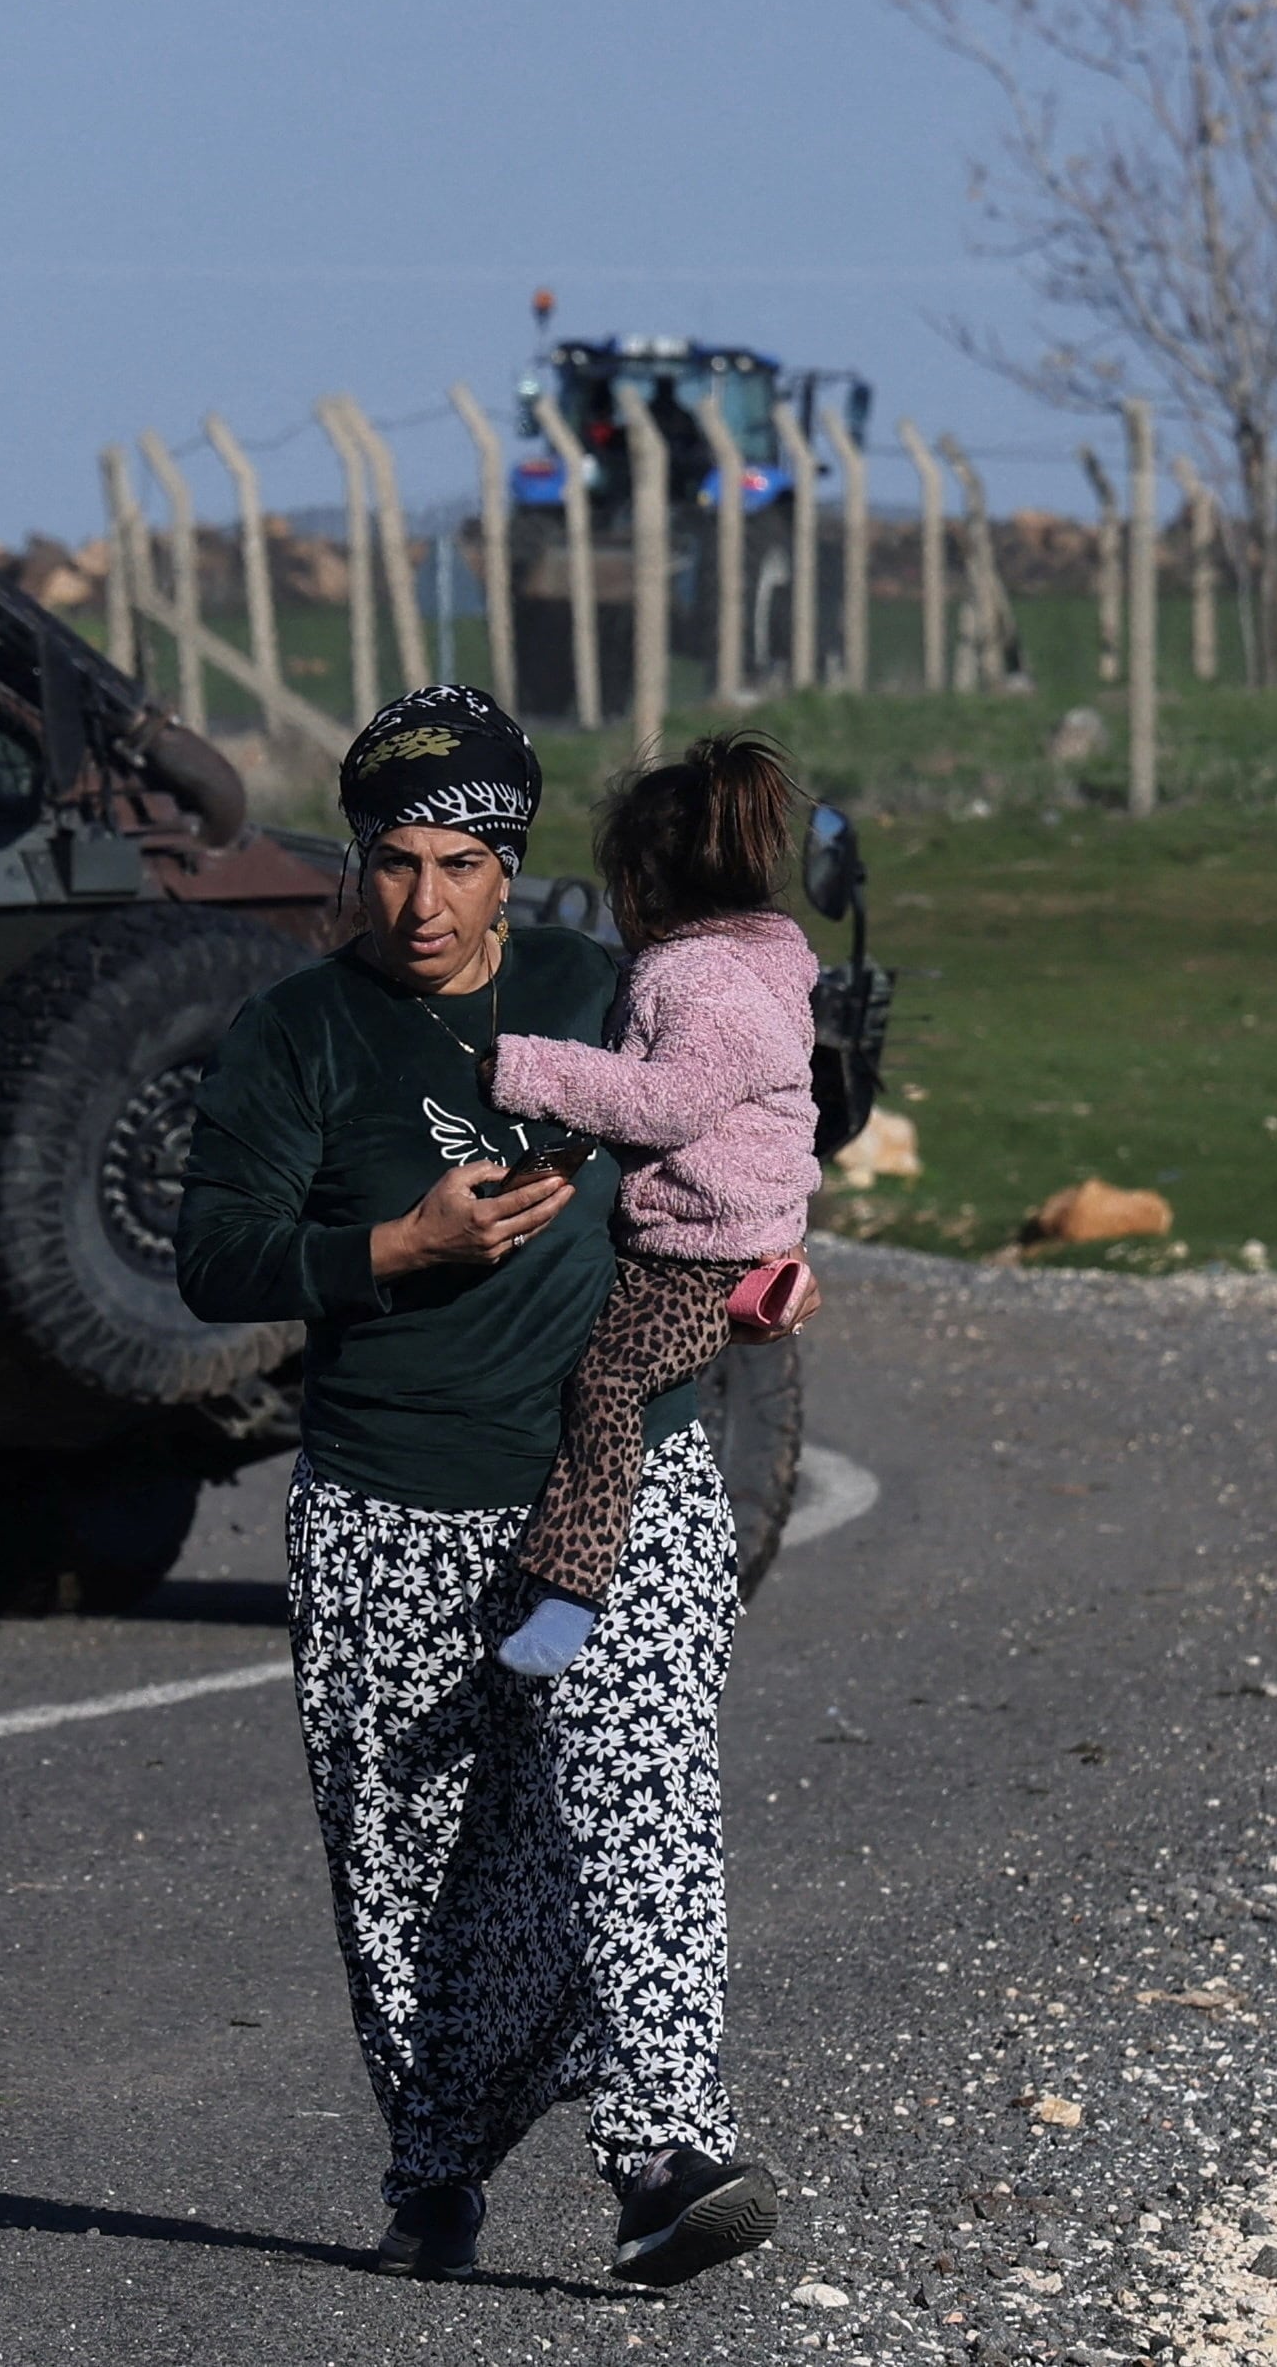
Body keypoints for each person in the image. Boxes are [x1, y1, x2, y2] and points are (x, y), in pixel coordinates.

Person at [174, 685, 774, 2289]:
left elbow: (728, 1148)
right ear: (353, 865)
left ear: (511, 867)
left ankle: (668, 2152)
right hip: (388, 1507)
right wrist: (396, 1246)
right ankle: (437, 2165)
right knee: (425, 1871)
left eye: (457, 862)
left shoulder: (603, 992)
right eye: (391, 862)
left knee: (638, 1798)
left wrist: (774, 1265)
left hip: (618, 1476)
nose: (422, 901)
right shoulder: (299, 1034)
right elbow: (214, 1255)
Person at [485, 734, 822, 1679]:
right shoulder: (752, 961)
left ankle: (571, 1589)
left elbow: (661, 1101)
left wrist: (526, 1069)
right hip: (708, 1230)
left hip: (707, 1252)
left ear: (641, 883)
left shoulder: (702, 981)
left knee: (608, 1381)